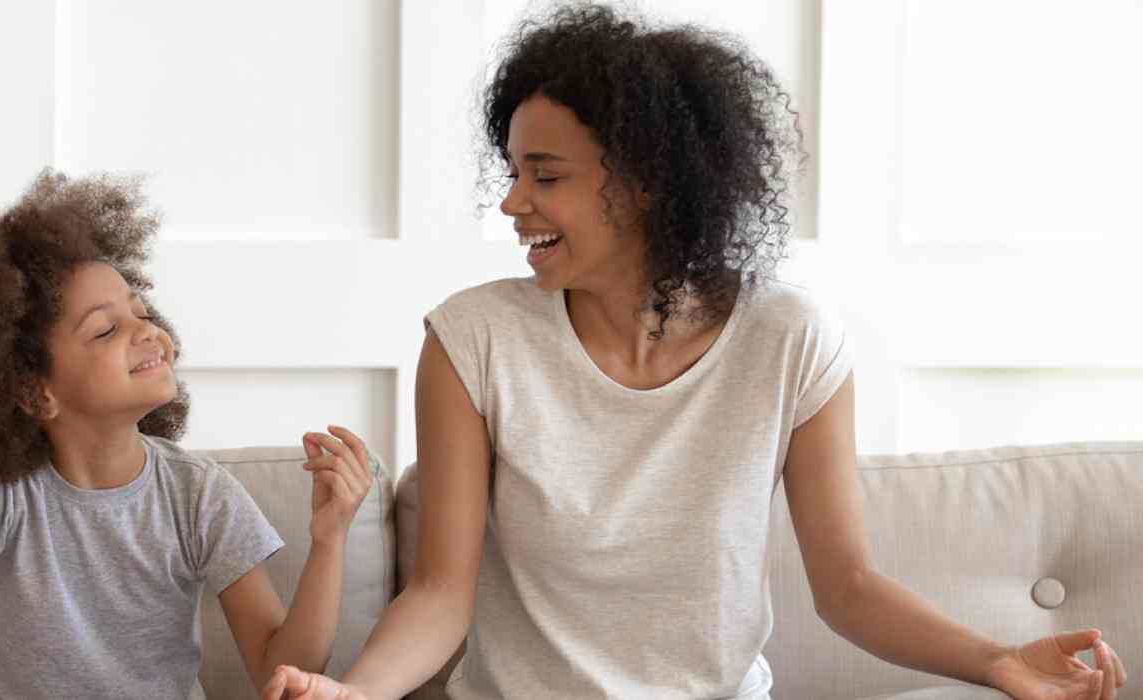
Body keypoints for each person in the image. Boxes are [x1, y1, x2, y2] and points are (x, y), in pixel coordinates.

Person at [261, 5, 1128, 700]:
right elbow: (441, 593)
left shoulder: (792, 341)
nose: (513, 202)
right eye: (514, 172)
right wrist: (360, 692)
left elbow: (850, 585)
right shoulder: (472, 339)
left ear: (645, 181)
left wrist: (998, 662)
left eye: (546, 175)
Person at [0, 170, 377, 699]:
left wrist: (330, 540)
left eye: (141, 312)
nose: (146, 330)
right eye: (105, 330)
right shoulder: (3, 493)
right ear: (33, 391)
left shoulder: (199, 494)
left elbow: (283, 670)